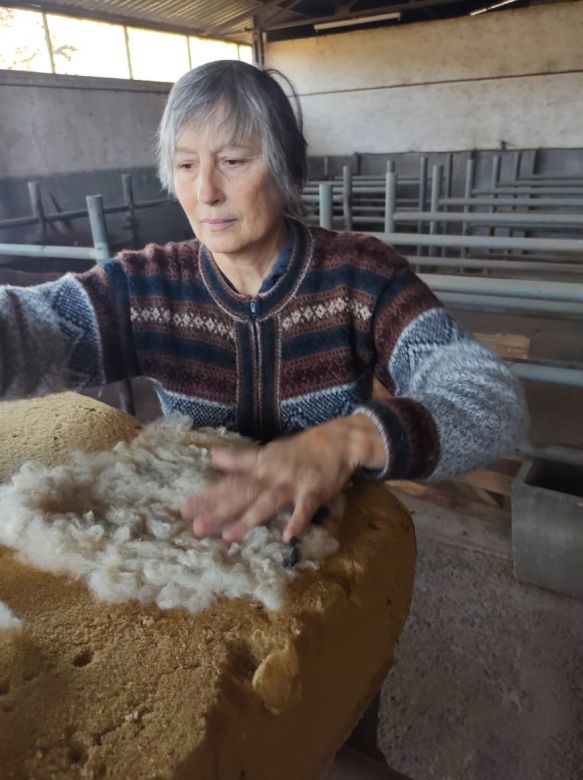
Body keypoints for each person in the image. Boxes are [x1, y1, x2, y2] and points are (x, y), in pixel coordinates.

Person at [0, 60, 527, 545]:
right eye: (186, 165)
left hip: (327, 544)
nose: (205, 191)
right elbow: (26, 330)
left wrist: (348, 439)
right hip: (205, 549)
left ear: (285, 168)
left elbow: (490, 400)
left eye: (233, 160)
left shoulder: (361, 278)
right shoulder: (144, 287)